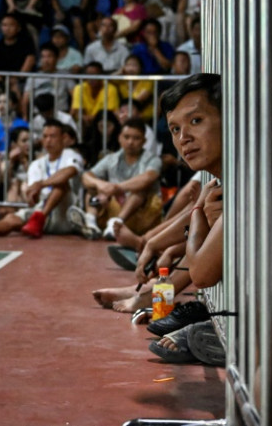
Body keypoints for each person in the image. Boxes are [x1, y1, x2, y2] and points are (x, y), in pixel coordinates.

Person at [92, 74, 223, 315]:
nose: (184, 138)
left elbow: (201, 274)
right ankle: (155, 292)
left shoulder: (242, 184)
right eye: (175, 129)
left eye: (196, 120)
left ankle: (156, 291)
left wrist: (197, 211)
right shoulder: (217, 181)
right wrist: (154, 242)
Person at [0, 119, 84, 239]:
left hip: (65, 215)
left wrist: (42, 184)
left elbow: (70, 171)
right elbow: (33, 193)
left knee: (61, 184)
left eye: (53, 136)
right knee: (12, 219)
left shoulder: (71, 155)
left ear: (63, 138)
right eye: (45, 136)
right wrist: (33, 195)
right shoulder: (36, 164)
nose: (48, 140)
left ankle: (39, 218)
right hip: (41, 211)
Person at [69, 117, 163, 240]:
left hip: (142, 214)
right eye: (127, 137)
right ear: (119, 138)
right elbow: (86, 176)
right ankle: (90, 222)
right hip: (114, 207)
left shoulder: (153, 159)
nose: (130, 142)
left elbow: (147, 178)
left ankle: (117, 223)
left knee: (140, 190)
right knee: (93, 188)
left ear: (144, 141)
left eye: (136, 138)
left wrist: (116, 188)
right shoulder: (111, 158)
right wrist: (100, 185)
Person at [22, 42, 74, 116]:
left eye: (49, 56)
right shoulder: (33, 77)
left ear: (57, 58)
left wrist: (71, 115)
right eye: (43, 57)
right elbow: (25, 100)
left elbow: (75, 96)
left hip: (60, 113)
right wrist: (25, 117)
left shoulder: (65, 75)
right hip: (38, 114)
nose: (46, 60)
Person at [70, 61, 120, 127]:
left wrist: (91, 118)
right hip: (85, 122)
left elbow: (110, 113)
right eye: (89, 75)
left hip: (103, 121)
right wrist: (83, 117)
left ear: (101, 75)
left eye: (94, 74)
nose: (91, 78)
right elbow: (76, 111)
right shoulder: (79, 88)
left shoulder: (111, 89)